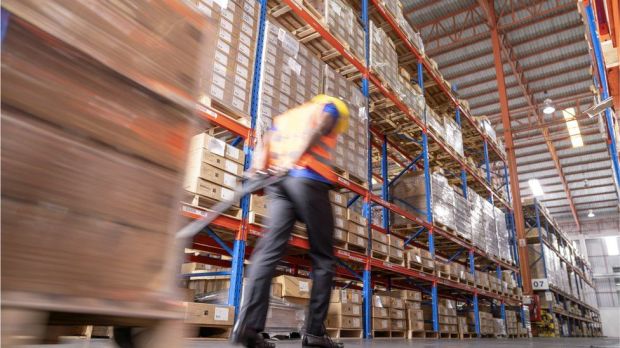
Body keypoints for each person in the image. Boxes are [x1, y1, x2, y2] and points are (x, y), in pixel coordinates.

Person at [231, 95, 350, 348]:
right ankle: (315, 334)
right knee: (323, 258)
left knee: (268, 253)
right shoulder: (331, 108)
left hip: (278, 183)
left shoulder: (285, 119)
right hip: (307, 179)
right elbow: (319, 128)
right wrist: (293, 158)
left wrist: (256, 169)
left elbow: (266, 141)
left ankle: (248, 329)